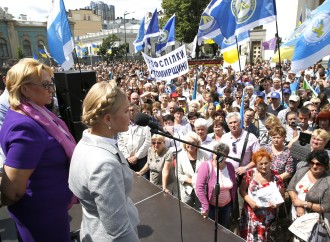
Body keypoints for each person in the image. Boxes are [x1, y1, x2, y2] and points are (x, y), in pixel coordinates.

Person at [0, 59, 76, 242]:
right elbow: (13, 191)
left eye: (51, 83)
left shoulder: (37, 114)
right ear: (24, 89)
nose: (51, 89)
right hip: (42, 218)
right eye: (45, 85)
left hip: (51, 211)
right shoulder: (25, 127)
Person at [69, 81, 139, 241]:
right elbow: (119, 230)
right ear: (108, 118)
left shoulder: (86, 140)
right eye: (126, 111)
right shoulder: (103, 165)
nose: (131, 114)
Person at [239, 149, 285, 242]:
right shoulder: (250, 173)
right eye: (260, 164)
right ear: (256, 164)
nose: (264, 166)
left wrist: (277, 204)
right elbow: (242, 190)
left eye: (266, 163)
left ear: (270, 162)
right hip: (251, 215)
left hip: (268, 218)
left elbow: (282, 196)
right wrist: (251, 202)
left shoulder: (276, 177)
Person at [287, 150, 330, 240]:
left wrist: (304, 204)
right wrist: (298, 205)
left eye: (318, 164)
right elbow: (291, 188)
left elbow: (326, 207)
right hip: (296, 214)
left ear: (325, 165)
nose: (314, 166)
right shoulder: (302, 171)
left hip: (313, 222)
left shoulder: (327, 181)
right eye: (312, 162)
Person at [195, 142, 237, 228]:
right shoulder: (206, 166)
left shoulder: (230, 166)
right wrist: (205, 206)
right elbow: (199, 188)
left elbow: (234, 186)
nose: (218, 156)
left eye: (223, 154)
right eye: (216, 153)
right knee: (209, 228)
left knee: (224, 228)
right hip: (211, 206)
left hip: (226, 206)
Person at [117, 103, 151, 178]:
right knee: (128, 182)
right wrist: (128, 156)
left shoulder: (145, 126)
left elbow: (147, 142)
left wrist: (136, 156)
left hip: (141, 159)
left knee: (143, 182)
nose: (130, 112)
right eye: (128, 111)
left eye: (132, 110)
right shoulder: (122, 125)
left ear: (137, 111)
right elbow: (120, 142)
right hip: (127, 159)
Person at [177, 131, 209, 208]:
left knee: (200, 212)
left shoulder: (204, 155)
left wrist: (199, 182)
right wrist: (192, 181)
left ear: (197, 144)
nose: (190, 145)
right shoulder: (180, 155)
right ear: (184, 144)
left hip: (201, 190)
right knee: (187, 213)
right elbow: (178, 174)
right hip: (187, 190)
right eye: (188, 142)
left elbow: (208, 172)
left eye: (193, 143)